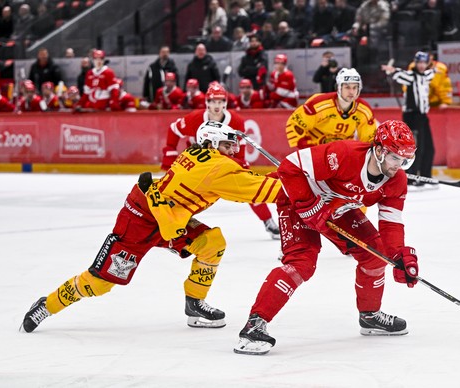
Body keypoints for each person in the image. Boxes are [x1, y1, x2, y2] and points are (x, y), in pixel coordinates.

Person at [20, 121, 282, 334]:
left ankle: (194, 303)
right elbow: (260, 189)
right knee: (99, 284)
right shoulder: (218, 168)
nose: (234, 151)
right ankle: (48, 304)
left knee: (212, 243)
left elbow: (243, 180)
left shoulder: (202, 155)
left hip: (166, 213)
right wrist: (301, 180)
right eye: (228, 145)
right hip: (140, 220)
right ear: (212, 142)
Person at [234, 120, 420, 355]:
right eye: (396, 158)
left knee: (376, 255)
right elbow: (289, 167)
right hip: (298, 200)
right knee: (302, 263)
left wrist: (399, 255)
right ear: (380, 151)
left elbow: (391, 223)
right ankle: (254, 325)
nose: (400, 166)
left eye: (405, 160)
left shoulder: (396, 180)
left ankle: (370, 316)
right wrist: (309, 205)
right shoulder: (344, 154)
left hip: (336, 207)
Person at [161, 82, 281, 239]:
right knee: (186, 193)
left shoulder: (236, 121)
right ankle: (171, 218)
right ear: (206, 103)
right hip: (198, 163)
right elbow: (173, 129)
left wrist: (241, 164)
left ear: (225, 102)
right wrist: (170, 151)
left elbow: (239, 150)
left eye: (220, 101)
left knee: (247, 184)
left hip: (221, 163)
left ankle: (268, 221)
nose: (216, 106)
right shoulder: (195, 118)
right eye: (212, 101)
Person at [287, 68, 376, 149]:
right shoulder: (318, 104)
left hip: (343, 152)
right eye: (347, 87)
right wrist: (306, 148)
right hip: (316, 149)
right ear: (338, 87)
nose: (351, 92)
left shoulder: (364, 110)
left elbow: (369, 140)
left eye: (355, 87)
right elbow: (295, 123)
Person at [382, 51, 435, 186]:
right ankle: (411, 177)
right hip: (412, 116)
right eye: (419, 63)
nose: (422, 65)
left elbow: (432, 72)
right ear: (415, 63)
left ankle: (425, 176)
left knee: (429, 148)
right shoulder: (411, 76)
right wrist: (392, 71)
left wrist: (435, 67)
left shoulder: (427, 75)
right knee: (416, 148)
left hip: (423, 116)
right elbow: (399, 74)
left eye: (424, 63)